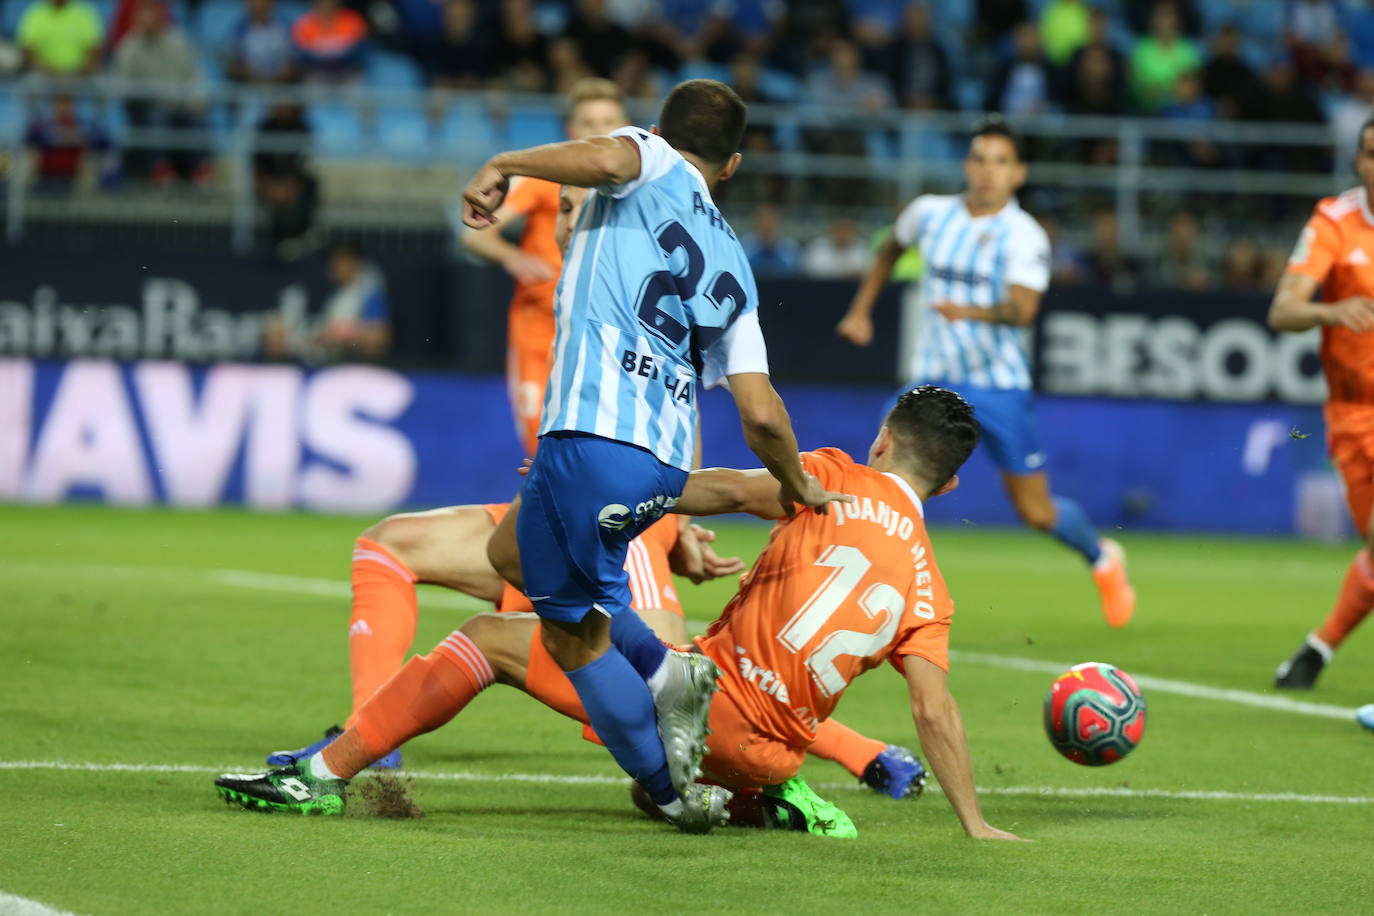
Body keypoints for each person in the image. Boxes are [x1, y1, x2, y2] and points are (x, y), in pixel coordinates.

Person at [258, 185, 923, 796]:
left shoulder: (626, 289)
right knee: (392, 546)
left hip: (613, 510)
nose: (565, 221)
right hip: (561, 494)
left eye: (579, 208)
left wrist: (668, 520)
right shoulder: (568, 290)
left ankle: (834, 758)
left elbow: (676, 411)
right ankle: (365, 733)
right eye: (564, 208)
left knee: (659, 674)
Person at [215, 386, 1022, 840]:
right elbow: (934, 706)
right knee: (612, 636)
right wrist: (975, 824)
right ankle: (760, 796)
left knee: (489, 637)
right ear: (947, 488)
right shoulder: (927, 586)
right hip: (769, 747)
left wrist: (644, 499)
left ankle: (322, 778)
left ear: (881, 440)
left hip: (706, 707)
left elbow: (738, 490)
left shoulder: (831, 476)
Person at [460, 79, 846, 833]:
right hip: (655, 463)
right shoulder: (735, 265)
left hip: (593, 443)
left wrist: (506, 160)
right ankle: (669, 668)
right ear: (731, 166)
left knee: (574, 638)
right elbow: (761, 410)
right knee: (508, 554)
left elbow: (606, 159)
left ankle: (671, 790)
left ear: (659, 130)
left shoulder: (648, 157)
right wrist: (795, 479)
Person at [835, 117, 1136, 628]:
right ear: (966, 165)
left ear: (1017, 173)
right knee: (882, 472)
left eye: (1000, 162)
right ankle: (862, 590)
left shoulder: (1024, 235)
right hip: (931, 379)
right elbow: (890, 248)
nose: (987, 171)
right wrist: (861, 309)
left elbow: (1023, 310)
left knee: (1035, 511)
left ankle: (1103, 557)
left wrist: (968, 312)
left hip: (999, 387)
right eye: (979, 159)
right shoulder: (929, 213)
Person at [460, 78, 627, 456]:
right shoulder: (544, 178)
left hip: (604, 335)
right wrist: (513, 256)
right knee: (540, 451)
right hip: (540, 331)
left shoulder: (637, 188)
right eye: (588, 122)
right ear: (571, 130)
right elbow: (475, 234)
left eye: (608, 121)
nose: (599, 131)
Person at [1268, 114, 1374, 710]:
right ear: (1358, 161)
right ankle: (1321, 645)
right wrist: (1333, 312)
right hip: (1356, 415)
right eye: (1370, 153)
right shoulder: (1335, 222)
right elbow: (1283, 310)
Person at [17, 0, 103, 76]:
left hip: (79, 74)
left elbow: (94, 48)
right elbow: (27, 49)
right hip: (44, 74)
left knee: (103, 88)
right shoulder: (35, 13)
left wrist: (83, 71)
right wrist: (44, 70)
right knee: (31, 84)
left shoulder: (85, 12)